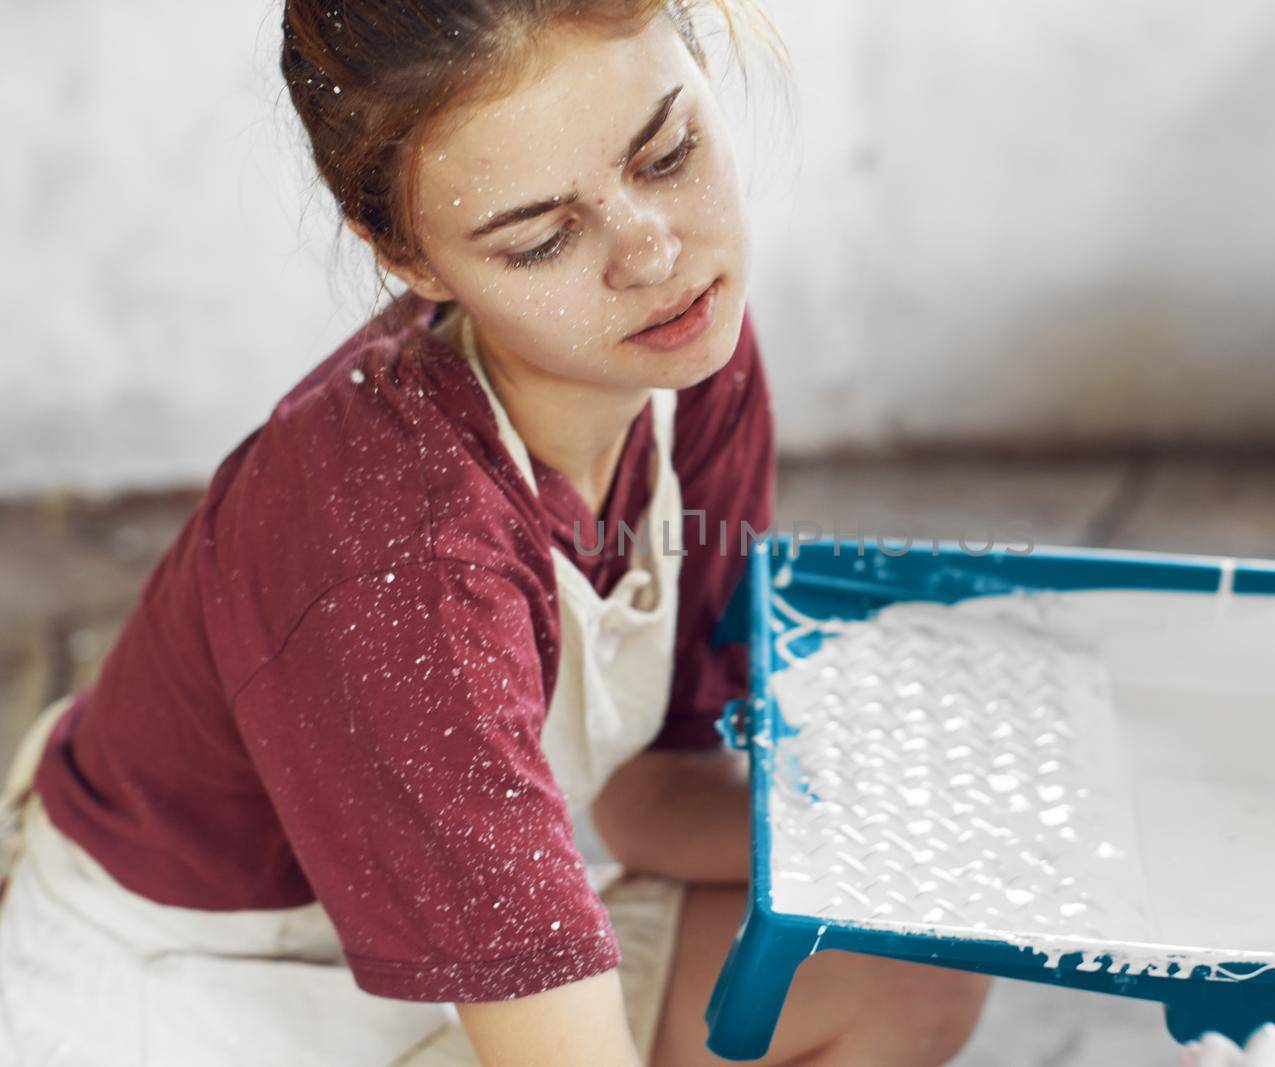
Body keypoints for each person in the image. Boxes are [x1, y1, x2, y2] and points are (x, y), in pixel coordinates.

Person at [0, 2, 991, 1064]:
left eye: (668, 153)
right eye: (542, 238)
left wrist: (944, 844)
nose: (652, 254)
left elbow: (647, 794)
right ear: (407, 255)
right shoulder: (398, 558)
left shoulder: (680, 357)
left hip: (471, 940)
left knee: (915, 963)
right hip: (213, 992)